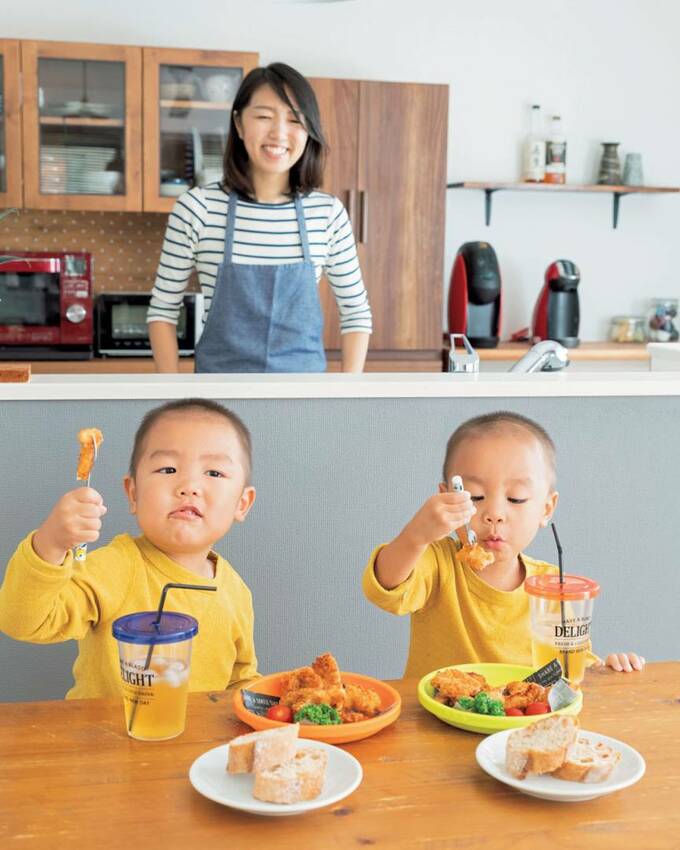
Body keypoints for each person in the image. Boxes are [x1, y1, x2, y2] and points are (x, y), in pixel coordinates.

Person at [0, 399, 258, 698]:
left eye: (213, 473)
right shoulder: (115, 567)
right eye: (168, 469)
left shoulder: (236, 591)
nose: (189, 486)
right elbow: (23, 621)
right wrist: (51, 543)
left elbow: (240, 680)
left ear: (242, 503)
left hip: (196, 745)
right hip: (106, 742)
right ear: (133, 493)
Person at [362, 411, 645, 679]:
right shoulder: (436, 562)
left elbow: (570, 668)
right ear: (446, 498)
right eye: (475, 496)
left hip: (522, 724)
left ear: (547, 508)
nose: (494, 513)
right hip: (437, 722)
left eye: (517, 498)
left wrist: (607, 667)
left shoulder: (551, 586)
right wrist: (417, 535)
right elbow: (386, 587)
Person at [148, 62, 372, 374]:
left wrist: (346, 395)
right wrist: (172, 396)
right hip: (218, 402)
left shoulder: (327, 213)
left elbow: (356, 313)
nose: (279, 133)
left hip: (303, 402)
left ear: (309, 131)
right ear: (239, 124)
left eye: (295, 120)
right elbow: (162, 312)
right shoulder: (197, 207)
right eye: (264, 116)